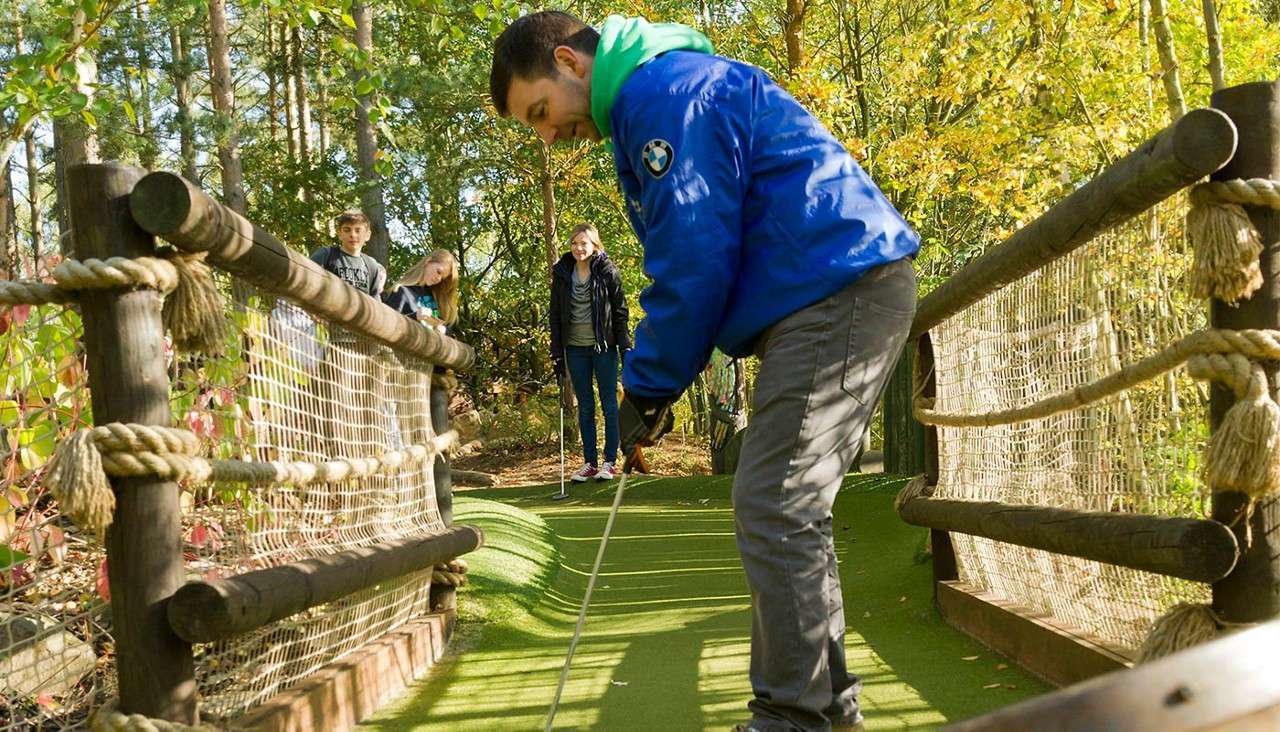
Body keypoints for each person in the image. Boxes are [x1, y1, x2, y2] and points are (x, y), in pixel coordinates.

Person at [490, 12, 920, 732]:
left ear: (568, 61)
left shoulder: (662, 94)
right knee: (786, 506)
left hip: (838, 286)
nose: (549, 135)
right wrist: (655, 386)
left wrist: (650, 385)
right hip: (824, 291)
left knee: (778, 502)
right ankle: (827, 714)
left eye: (541, 111)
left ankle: (791, 718)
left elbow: (693, 255)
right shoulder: (657, 91)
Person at [549, 223, 630, 482]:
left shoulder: (607, 271)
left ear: (595, 245)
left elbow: (620, 311)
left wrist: (625, 345)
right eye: (574, 243)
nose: (578, 248)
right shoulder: (562, 272)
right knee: (585, 406)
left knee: (608, 404)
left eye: (584, 243)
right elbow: (555, 316)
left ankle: (609, 462)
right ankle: (590, 463)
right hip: (574, 348)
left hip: (603, 347)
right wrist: (557, 353)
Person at [310, 209, 387, 298]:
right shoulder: (326, 255)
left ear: (367, 235)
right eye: (347, 230)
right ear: (339, 233)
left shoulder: (372, 266)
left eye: (358, 230)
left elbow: (375, 303)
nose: (353, 235)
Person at [384, 248, 460, 334]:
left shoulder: (438, 300)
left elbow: (448, 325)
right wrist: (415, 316)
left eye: (442, 278)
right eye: (438, 272)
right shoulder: (402, 292)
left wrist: (444, 330)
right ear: (428, 261)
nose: (438, 279)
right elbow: (387, 325)